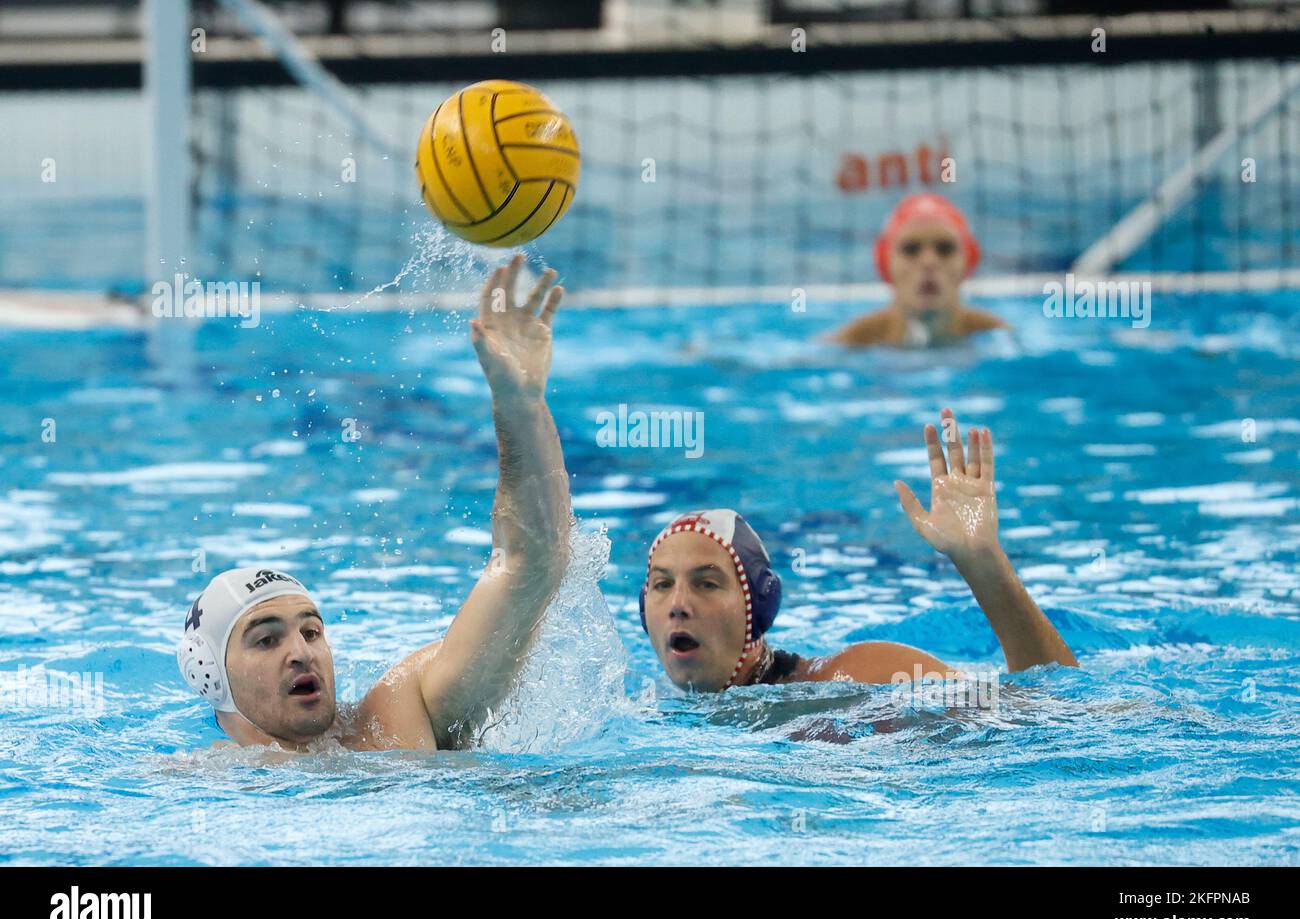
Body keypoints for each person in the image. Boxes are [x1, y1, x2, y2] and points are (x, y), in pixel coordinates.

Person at [176, 255, 574, 751]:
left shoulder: (397, 717)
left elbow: (532, 563)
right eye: (266, 639)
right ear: (209, 675)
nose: (302, 653)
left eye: (312, 631)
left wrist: (520, 404)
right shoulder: (197, 790)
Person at [639, 407, 1077, 692]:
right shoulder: (641, 706)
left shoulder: (858, 676)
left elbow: (1050, 708)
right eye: (662, 584)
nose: (678, 604)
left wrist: (984, 564)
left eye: (707, 583)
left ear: (759, 607)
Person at [826, 193, 1007, 348]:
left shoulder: (996, 334)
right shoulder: (853, 340)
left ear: (969, 261)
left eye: (944, 249)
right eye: (911, 249)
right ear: (885, 263)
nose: (929, 262)